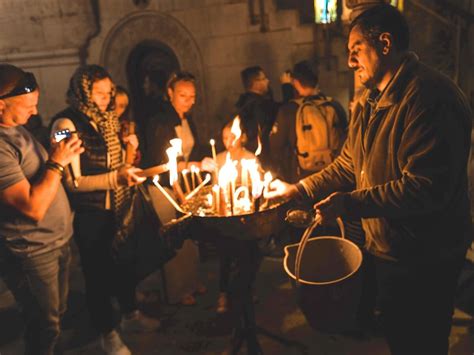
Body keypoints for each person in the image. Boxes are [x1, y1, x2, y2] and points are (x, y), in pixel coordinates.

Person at [266, 4, 472, 355]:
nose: (349, 62)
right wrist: (298, 189)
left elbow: (424, 188)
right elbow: (349, 164)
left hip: (425, 256)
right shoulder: (367, 100)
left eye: (356, 51)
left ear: (386, 44)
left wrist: (349, 204)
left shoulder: (429, 98)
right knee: (399, 336)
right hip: (388, 249)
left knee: (422, 342)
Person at [51, 65, 159, 355]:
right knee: (97, 275)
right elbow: (73, 182)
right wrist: (116, 178)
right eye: (99, 93)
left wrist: (128, 152)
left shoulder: (108, 119)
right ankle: (107, 333)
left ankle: (130, 315)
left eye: (109, 92)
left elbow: (117, 166)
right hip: (91, 214)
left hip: (118, 207)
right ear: (83, 91)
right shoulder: (65, 123)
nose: (106, 98)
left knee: (123, 263)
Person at [0, 64, 83, 355]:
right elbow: (33, 208)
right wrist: (58, 161)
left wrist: (58, 151)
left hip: (55, 241)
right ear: (0, 104)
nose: (35, 112)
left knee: (56, 316)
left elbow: (39, 173)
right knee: (44, 326)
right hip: (33, 251)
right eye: (29, 106)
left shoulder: (15, 128)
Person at [143, 71, 212, 306]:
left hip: (185, 184)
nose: (189, 101)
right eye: (183, 95)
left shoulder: (186, 118)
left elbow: (194, 148)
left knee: (190, 236)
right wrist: (193, 165)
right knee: (174, 238)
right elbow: (161, 161)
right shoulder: (160, 121)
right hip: (164, 186)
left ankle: (191, 281)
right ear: (170, 93)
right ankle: (177, 290)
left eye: (192, 96)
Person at [269, 60, 347, 183]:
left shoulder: (289, 110)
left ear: (295, 82)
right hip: (332, 176)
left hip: (301, 179)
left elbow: (275, 146)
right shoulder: (335, 106)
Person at [215, 120, 256, 313]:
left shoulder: (250, 158)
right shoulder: (219, 159)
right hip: (226, 216)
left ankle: (246, 291)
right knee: (225, 254)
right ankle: (223, 293)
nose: (229, 141)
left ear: (242, 137)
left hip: (246, 215)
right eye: (225, 138)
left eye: (233, 137)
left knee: (247, 253)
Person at [236, 66, 291, 167]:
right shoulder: (260, 105)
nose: (268, 81)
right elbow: (286, 110)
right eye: (264, 78)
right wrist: (286, 86)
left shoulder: (245, 104)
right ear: (255, 83)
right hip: (266, 157)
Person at [115, 86, 141, 166]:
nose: (116, 109)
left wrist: (133, 149)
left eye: (121, 106)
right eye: (114, 104)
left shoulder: (127, 128)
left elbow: (135, 160)